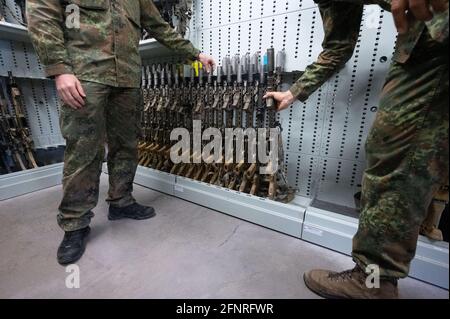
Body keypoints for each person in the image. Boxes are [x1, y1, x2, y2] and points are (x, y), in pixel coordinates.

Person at [264, 0, 448, 298]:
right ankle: (377, 280)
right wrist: (294, 91)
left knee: (396, 155)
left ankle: (374, 283)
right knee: (404, 153)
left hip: (433, 41)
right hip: (424, 41)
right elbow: (338, 45)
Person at [26, 0, 215, 265]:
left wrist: (194, 53)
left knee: (126, 145)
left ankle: (121, 201)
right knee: (84, 150)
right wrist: (59, 69)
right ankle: (75, 224)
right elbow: (42, 14)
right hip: (85, 75)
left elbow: (158, 26)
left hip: (127, 79)